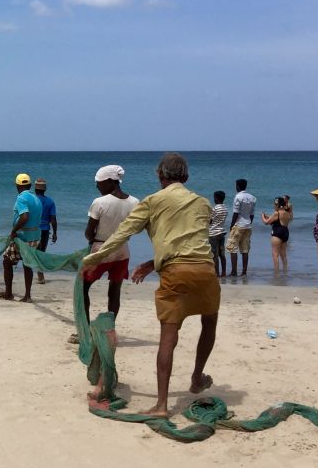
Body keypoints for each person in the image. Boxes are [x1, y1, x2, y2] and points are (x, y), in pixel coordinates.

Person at [82, 153, 219, 416]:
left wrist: (93, 258)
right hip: (206, 270)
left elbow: (122, 233)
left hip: (175, 273)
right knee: (209, 321)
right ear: (186, 177)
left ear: (160, 175)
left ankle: (161, 405)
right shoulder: (203, 203)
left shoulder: (153, 201)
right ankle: (196, 377)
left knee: (169, 337)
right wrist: (151, 264)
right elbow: (188, 243)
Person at [82, 165, 139, 323]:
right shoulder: (135, 202)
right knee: (115, 290)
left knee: (82, 288)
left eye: (99, 183)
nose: (97, 186)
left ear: (109, 181)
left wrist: (92, 240)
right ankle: (110, 327)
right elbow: (135, 228)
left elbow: (88, 232)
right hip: (123, 250)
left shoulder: (99, 202)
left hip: (101, 249)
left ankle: (85, 328)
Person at [1, 173, 42, 302]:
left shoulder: (21, 198)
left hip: (23, 237)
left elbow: (25, 216)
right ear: (29, 185)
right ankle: (27, 295)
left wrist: (14, 231)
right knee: (27, 264)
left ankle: (8, 293)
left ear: (17, 186)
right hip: (35, 237)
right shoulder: (36, 198)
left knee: (7, 260)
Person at [226, 178, 256, 277]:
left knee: (232, 248)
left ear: (238, 186)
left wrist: (231, 225)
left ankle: (234, 271)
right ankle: (244, 272)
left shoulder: (238, 197)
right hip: (248, 225)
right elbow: (252, 214)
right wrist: (249, 223)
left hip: (239, 224)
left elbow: (236, 213)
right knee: (245, 249)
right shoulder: (252, 198)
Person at [33, 178, 58, 284]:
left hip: (32, 230)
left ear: (35, 189)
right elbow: (53, 219)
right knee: (41, 252)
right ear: (45, 189)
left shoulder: (32, 200)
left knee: (32, 252)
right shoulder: (50, 202)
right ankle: (40, 274)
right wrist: (55, 233)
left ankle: (39, 274)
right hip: (45, 230)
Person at [260, 195, 293, 274]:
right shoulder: (287, 213)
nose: (274, 206)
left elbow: (266, 222)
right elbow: (277, 220)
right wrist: (268, 217)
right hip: (285, 233)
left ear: (278, 205)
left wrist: (262, 216)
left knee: (275, 254)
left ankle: (276, 273)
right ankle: (285, 271)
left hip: (277, 233)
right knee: (283, 254)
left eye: (275, 204)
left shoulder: (276, 213)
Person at [208, 190, 228, 278]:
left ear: (216, 198)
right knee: (222, 254)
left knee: (214, 255)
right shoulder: (225, 208)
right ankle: (224, 273)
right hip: (222, 233)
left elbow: (210, 220)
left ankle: (216, 273)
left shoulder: (215, 208)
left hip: (213, 233)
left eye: (214, 198)